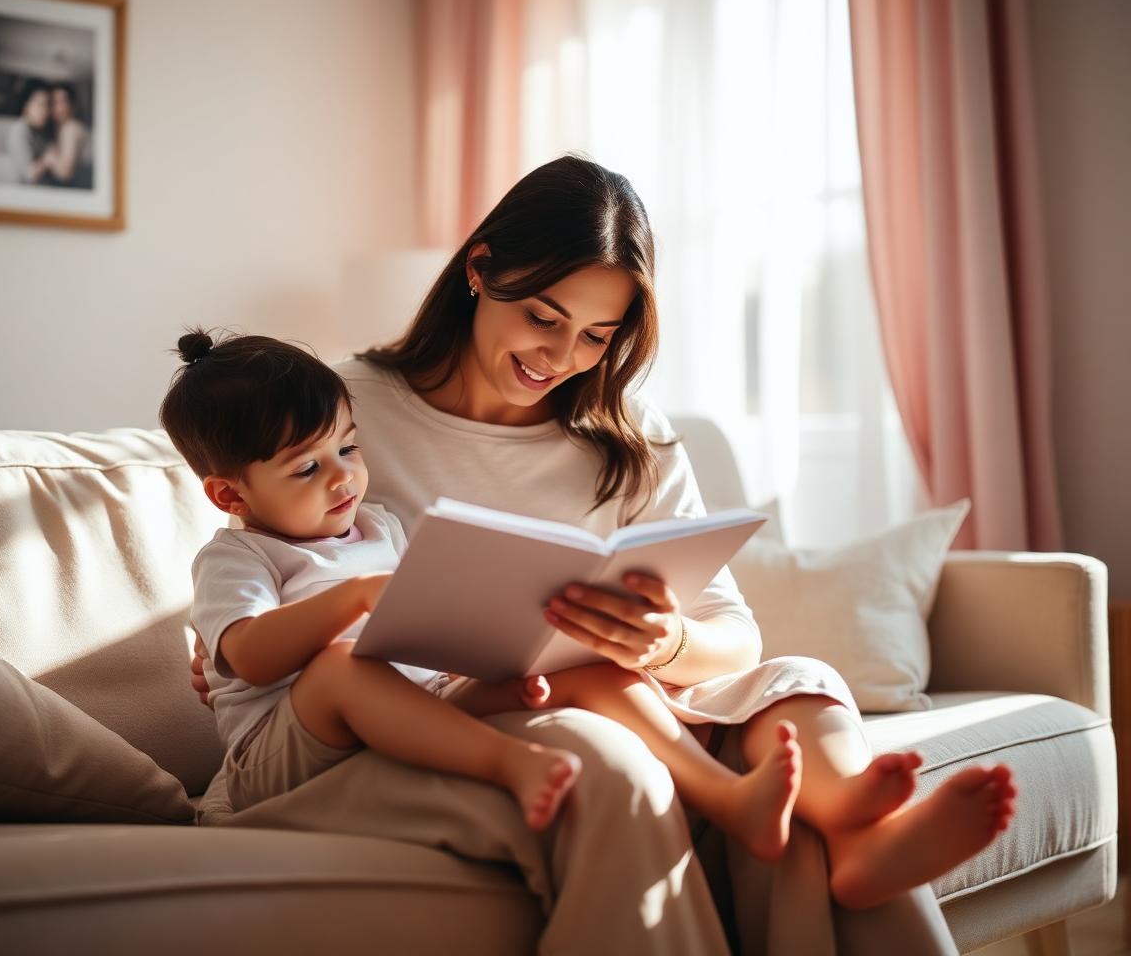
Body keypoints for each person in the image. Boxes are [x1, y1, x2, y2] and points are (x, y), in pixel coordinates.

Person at [190, 155, 1015, 953]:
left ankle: (860, 832)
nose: (560, 357)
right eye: (544, 318)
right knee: (613, 750)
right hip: (458, 712)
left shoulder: (628, 435)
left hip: (598, 682)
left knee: (798, 686)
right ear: (479, 269)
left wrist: (670, 642)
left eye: (595, 336)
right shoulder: (344, 416)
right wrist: (243, 649)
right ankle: (818, 830)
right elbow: (261, 563)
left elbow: (734, 633)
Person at [164, 330, 808, 858]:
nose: (344, 478)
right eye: (308, 468)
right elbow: (246, 655)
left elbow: (427, 626)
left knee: (599, 667)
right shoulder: (236, 556)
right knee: (340, 668)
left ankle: (726, 798)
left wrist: (503, 653)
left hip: (414, 709)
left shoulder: (379, 524)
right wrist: (358, 596)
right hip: (282, 753)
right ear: (229, 494)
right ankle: (511, 763)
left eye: (350, 447)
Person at [39, 83, 93, 190]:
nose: (58, 107)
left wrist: (50, 158)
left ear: (72, 105)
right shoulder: (62, 130)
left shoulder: (71, 128)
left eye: (63, 101)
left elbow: (65, 172)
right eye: (54, 102)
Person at [4, 78, 54, 185]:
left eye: (47, 105)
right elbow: (29, 174)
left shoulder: (41, 129)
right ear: (26, 106)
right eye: (40, 105)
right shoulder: (19, 130)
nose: (45, 111)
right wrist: (47, 160)